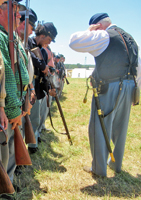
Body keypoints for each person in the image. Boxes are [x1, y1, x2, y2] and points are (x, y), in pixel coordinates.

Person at [69, 13, 140, 177]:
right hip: (129, 86)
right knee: (120, 128)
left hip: (110, 86)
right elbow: (138, 66)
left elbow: (74, 42)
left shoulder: (103, 35)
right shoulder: (130, 39)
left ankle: (99, 169)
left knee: (99, 127)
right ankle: (116, 164)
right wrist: (135, 91)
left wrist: (89, 31)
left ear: (98, 26)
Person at [0, 0, 29, 198]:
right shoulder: (3, 38)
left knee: (9, 153)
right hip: (9, 106)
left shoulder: (12, 38)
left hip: (15, 104)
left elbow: (22, 72)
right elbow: (7, 76)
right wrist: (11, 108)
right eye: (13, 10)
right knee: (3, 155)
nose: (18, 16)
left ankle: (7, 188)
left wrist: (25, 99)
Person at [28, 22, 57, 153]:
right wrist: (43, 66)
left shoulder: (44, 52)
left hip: (38, 88)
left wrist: (49, 88)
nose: (49, 43)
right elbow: (32, 59)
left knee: (37, 117)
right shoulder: (27, 43)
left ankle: (34, 141)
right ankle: (29, 145)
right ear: (43, 35)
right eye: (49, 39)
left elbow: (44, 73)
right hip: (28, 87)